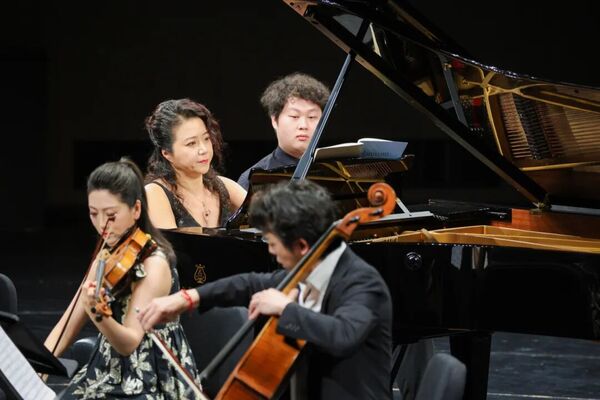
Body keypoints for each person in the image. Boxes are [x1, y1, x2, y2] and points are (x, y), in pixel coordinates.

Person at [138, 180, 393, 400]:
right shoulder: (308, 270)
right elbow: (249, 283)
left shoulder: (362, 283)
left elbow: (343, 335)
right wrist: (188, 297)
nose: (270, 251)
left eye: (272, 242)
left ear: (302, 246)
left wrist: (285, 307)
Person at [44, 159, 201, 399]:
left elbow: (129, 343)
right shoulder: (106, 256)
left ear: (136, 209)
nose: (101, 225)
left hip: (152, 376)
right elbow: (66, 328)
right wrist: (39, 369)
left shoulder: (154, 263)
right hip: (106, 369)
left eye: (111, 215)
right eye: (93, 213)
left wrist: (98, 315)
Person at [144, 98, 247, 228]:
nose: (204, 149)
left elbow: (268, 216)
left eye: (206, 138)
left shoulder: (224, 186)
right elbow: (170, 242)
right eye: (191, 143)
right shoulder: (154, 193)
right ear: (167, 153)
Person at [237, 72, 331, 190]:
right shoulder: (252, 179)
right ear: (274, 120)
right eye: (294, 116)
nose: (303, 125)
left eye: (312, 117)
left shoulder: (338, 171)